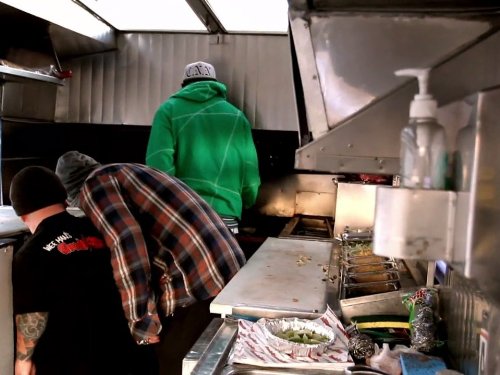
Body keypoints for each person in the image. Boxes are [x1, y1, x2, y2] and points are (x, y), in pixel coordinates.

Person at [55, 150, 246, 375]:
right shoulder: (130, 170)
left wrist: (142, 322)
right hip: (227, 274)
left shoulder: (95, 185)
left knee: (175, 364)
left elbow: (126, 244)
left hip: (198, 283)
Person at [10, 166, 158, 375]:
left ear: (22, 214)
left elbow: (33, 317)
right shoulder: (102, 229)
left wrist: (23, 364)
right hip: (130, 356)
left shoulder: (30, 255)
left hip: (75, 363)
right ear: (65, 200)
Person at [146, 61, 261, 234]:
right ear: (214, 84)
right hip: (226, 214)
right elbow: (250, 172)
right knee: (225, 260)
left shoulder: (168, 111)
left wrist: (164, 206)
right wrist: (246, 200)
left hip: (182, 214)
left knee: (180, 261)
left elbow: (158, 163)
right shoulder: (238, 117)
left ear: (183, 86)